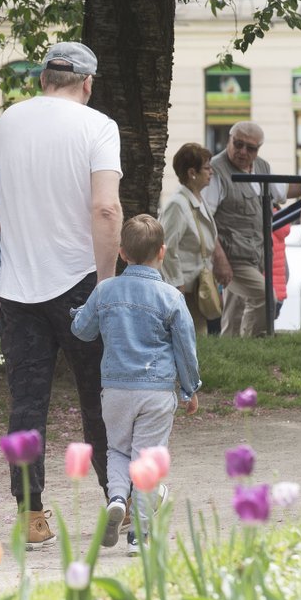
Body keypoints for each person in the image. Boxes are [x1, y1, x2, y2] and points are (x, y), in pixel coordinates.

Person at [0, 41, 123, 549]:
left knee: (26, 402)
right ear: (87, 84)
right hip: (81, 277)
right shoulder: (98, 127)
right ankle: (118, 496)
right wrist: (106, 282)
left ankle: (30, 513)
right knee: (100, 396)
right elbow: (106, 209)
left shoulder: (3, 125)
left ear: (43, 78)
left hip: (18, 285)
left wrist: (23, 243)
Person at [70, 215, 200, 555]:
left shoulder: (105, 290)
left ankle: (116, 497)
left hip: (114, 389)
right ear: (162, 251)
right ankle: (138, 536)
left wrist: (79, 311)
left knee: (117, 450)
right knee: (147, 460)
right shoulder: (170, 297)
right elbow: (185, 349)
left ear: (122, 253)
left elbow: (82, 331)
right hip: (155, 390)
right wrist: (189, 388)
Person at [201, 122, 272, 337]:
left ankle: (231, 353)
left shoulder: (262, 167)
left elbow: (282, 189)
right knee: (266, 296)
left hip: (252, 253)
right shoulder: (215, 171)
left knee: (235, 309)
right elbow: (205, 221)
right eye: (238, 144)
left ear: (258, 149)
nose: (242, 152)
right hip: (231, 256)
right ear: (229, 140)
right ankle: (254, 347)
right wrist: (220, 260)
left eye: (250, 148)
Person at [159, 143, 218, 331]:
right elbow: (166, 246)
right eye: (207, 168)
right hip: (185, 288)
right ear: (192, 172)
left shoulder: (196, 198)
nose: (212, 172)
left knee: (198, 335)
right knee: (191, 336)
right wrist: (177, 284)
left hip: (197, 282)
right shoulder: (178, 204)